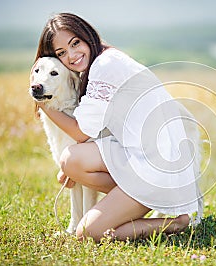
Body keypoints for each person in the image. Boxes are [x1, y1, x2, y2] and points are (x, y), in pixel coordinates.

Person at [33, 13, 202, 242]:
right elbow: (102, 131)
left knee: (89, 233)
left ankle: (174, 223)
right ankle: (125, 203)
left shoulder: (105, 65)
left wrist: (41, 99)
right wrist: (70, 171)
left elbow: (81, 133)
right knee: (71, 160)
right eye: (62, 53)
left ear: (87, 35)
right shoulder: (102, 63)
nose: (71, 56)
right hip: (140, 158)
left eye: (75, 44)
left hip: (156, 169)